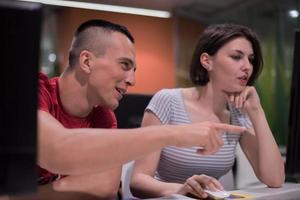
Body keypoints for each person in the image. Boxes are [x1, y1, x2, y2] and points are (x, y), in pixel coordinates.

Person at [7, 20, 246, 200]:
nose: (131, 80)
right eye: (125, 65)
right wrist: (175, 133)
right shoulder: (31, 90)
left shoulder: (103, 116)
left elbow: (105, 185)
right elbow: (58, 150)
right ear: (87, 61)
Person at [130, 23, 285, 199]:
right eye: (236, 57)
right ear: (207, 61)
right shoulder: (168, 100)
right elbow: (138, 181)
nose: (247, 66)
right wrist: (182, 189)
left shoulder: (239, 113)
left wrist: (257, 111)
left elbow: (275, 179)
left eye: (251, 59)